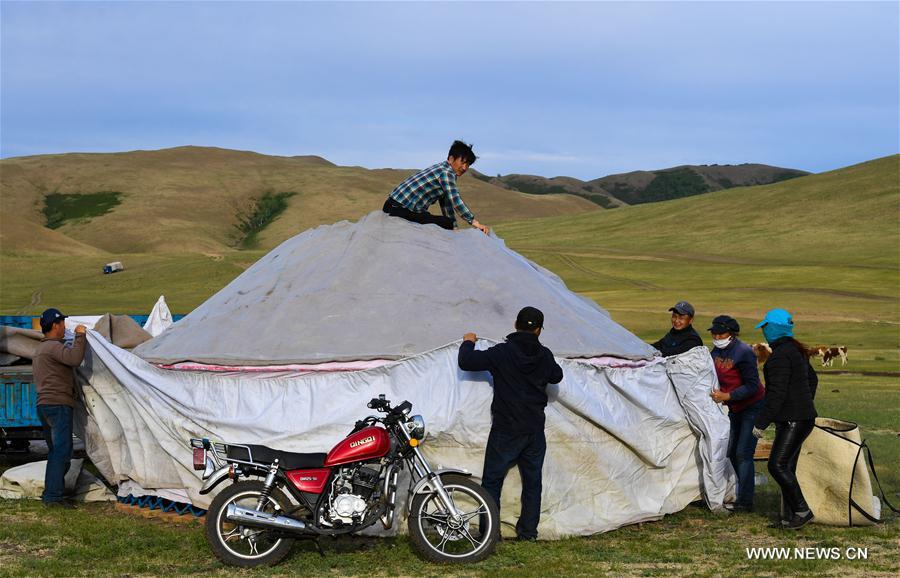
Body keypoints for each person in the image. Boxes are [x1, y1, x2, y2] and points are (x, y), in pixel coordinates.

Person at [457, 306, 563, 541]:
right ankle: (528, 533)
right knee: (533, 482)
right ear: (538, 330)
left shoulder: (502, 352)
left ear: (515, 324)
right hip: (534, 428)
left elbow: (466, 361)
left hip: (506, 427)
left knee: (492, 481)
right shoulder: (544, 354)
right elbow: (557, 375)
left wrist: (468, 341)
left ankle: (489, 534)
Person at [752, 308, 818, 530]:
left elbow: (776, 394)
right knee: (788, 465)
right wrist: (805, 404)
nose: (763, 331)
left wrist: (761, 423)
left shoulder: (779, 357)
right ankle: (792, 516)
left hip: (793, 420)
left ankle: (802, 511)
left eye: (765, 327)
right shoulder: (795, 351)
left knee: (777, 465)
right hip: (802, 418)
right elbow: (813, 380)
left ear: (773, 329)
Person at [707, 315, 764, 513]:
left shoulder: (744, 352)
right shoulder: (715, 352)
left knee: (743, 452)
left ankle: (745, 501)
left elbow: (752, 385)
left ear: (731, 334)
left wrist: (727, 395)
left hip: (752, 405)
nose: (716, 336)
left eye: (720, 333)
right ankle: (734, 491)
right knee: (730, 451)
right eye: (714, 332)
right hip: (733, 408)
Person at [33, 308, 88, 507]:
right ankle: (53, 498)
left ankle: (52, 492)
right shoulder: (53, 347)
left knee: (56, 451)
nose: (65, 327)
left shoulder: (40, 349)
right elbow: (74, 359)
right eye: (63, 323)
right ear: (55, 325)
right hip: (58, 405)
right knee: (62, 452)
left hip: (45, 405)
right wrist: (81, 335)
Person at [383, 140, 490, 234]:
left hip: (394, 206)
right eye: (463, 162)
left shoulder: (442, 170)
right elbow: (455, 199)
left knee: (446, 222)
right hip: (399, 209)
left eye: (468, 165)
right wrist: (475, 222)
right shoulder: (446, 173)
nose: (465, 168)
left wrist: (454, 228)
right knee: (445, 223)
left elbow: (447, 204)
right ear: (451, 159)